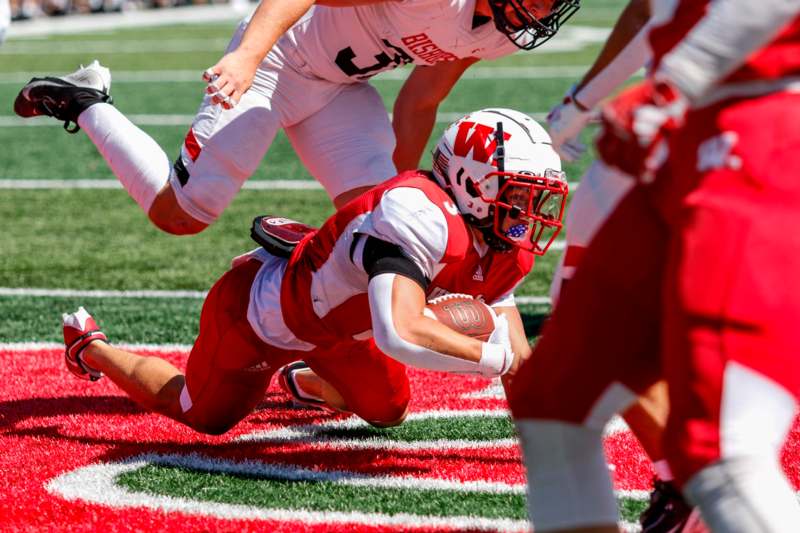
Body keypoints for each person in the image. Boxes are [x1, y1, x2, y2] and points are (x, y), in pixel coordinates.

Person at [60, 109, 568, 433]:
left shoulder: (504, 245)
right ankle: (94, 348)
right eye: (518, 193)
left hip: (346, 329)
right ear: (470, 180)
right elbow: (401, 333)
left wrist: (544, 442)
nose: (528, 210)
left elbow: (515, 348)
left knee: (388, 412)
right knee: (203, 417)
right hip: (262, 317)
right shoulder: (418, 212)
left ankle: (306, 380)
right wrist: (495, 358)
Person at [509, 0, 800, 531]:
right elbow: (647, 10)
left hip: (760, 120)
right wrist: (584, 103)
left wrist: (674, 85)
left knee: (719, 450)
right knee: (554, 400)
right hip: (686, 139)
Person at [13, 0, 579, 236]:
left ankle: (313, 370)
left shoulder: (499, 29)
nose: (548, 6)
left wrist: (398, 191)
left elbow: (421, 98)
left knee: (385, 230)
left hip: (339, 88)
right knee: (183, 214)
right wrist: (248, 55)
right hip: (277, 63)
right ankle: (86, 101)